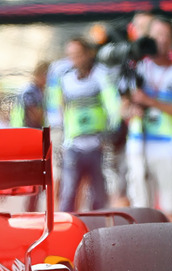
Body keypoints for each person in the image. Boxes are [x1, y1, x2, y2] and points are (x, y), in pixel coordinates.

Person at [123, 16, 172, 223]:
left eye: (167, 36)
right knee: (141, 211)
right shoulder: (136, 67)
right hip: (139, 148)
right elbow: (122, 107)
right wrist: (131, 108)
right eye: (157, 35)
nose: (162, 40)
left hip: (169, 150)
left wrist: (150, 101)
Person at [57, 37, 120, 212]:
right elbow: (61, 108)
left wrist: (111, 132)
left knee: (99, 195)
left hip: (97, 144)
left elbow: (112, 105)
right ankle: (66, 233)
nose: (75, 59)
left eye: (78, 54)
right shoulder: (66, 78)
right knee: (68, 193)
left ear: (87, 54)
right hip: (73, 145)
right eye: (71, 55)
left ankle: (97, 232)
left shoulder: (101, 75)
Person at [11, 60, 49, 128]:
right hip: (27, 131)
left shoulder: (39, 90)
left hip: (34, 130)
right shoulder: (30, 92)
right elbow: (35, 117)